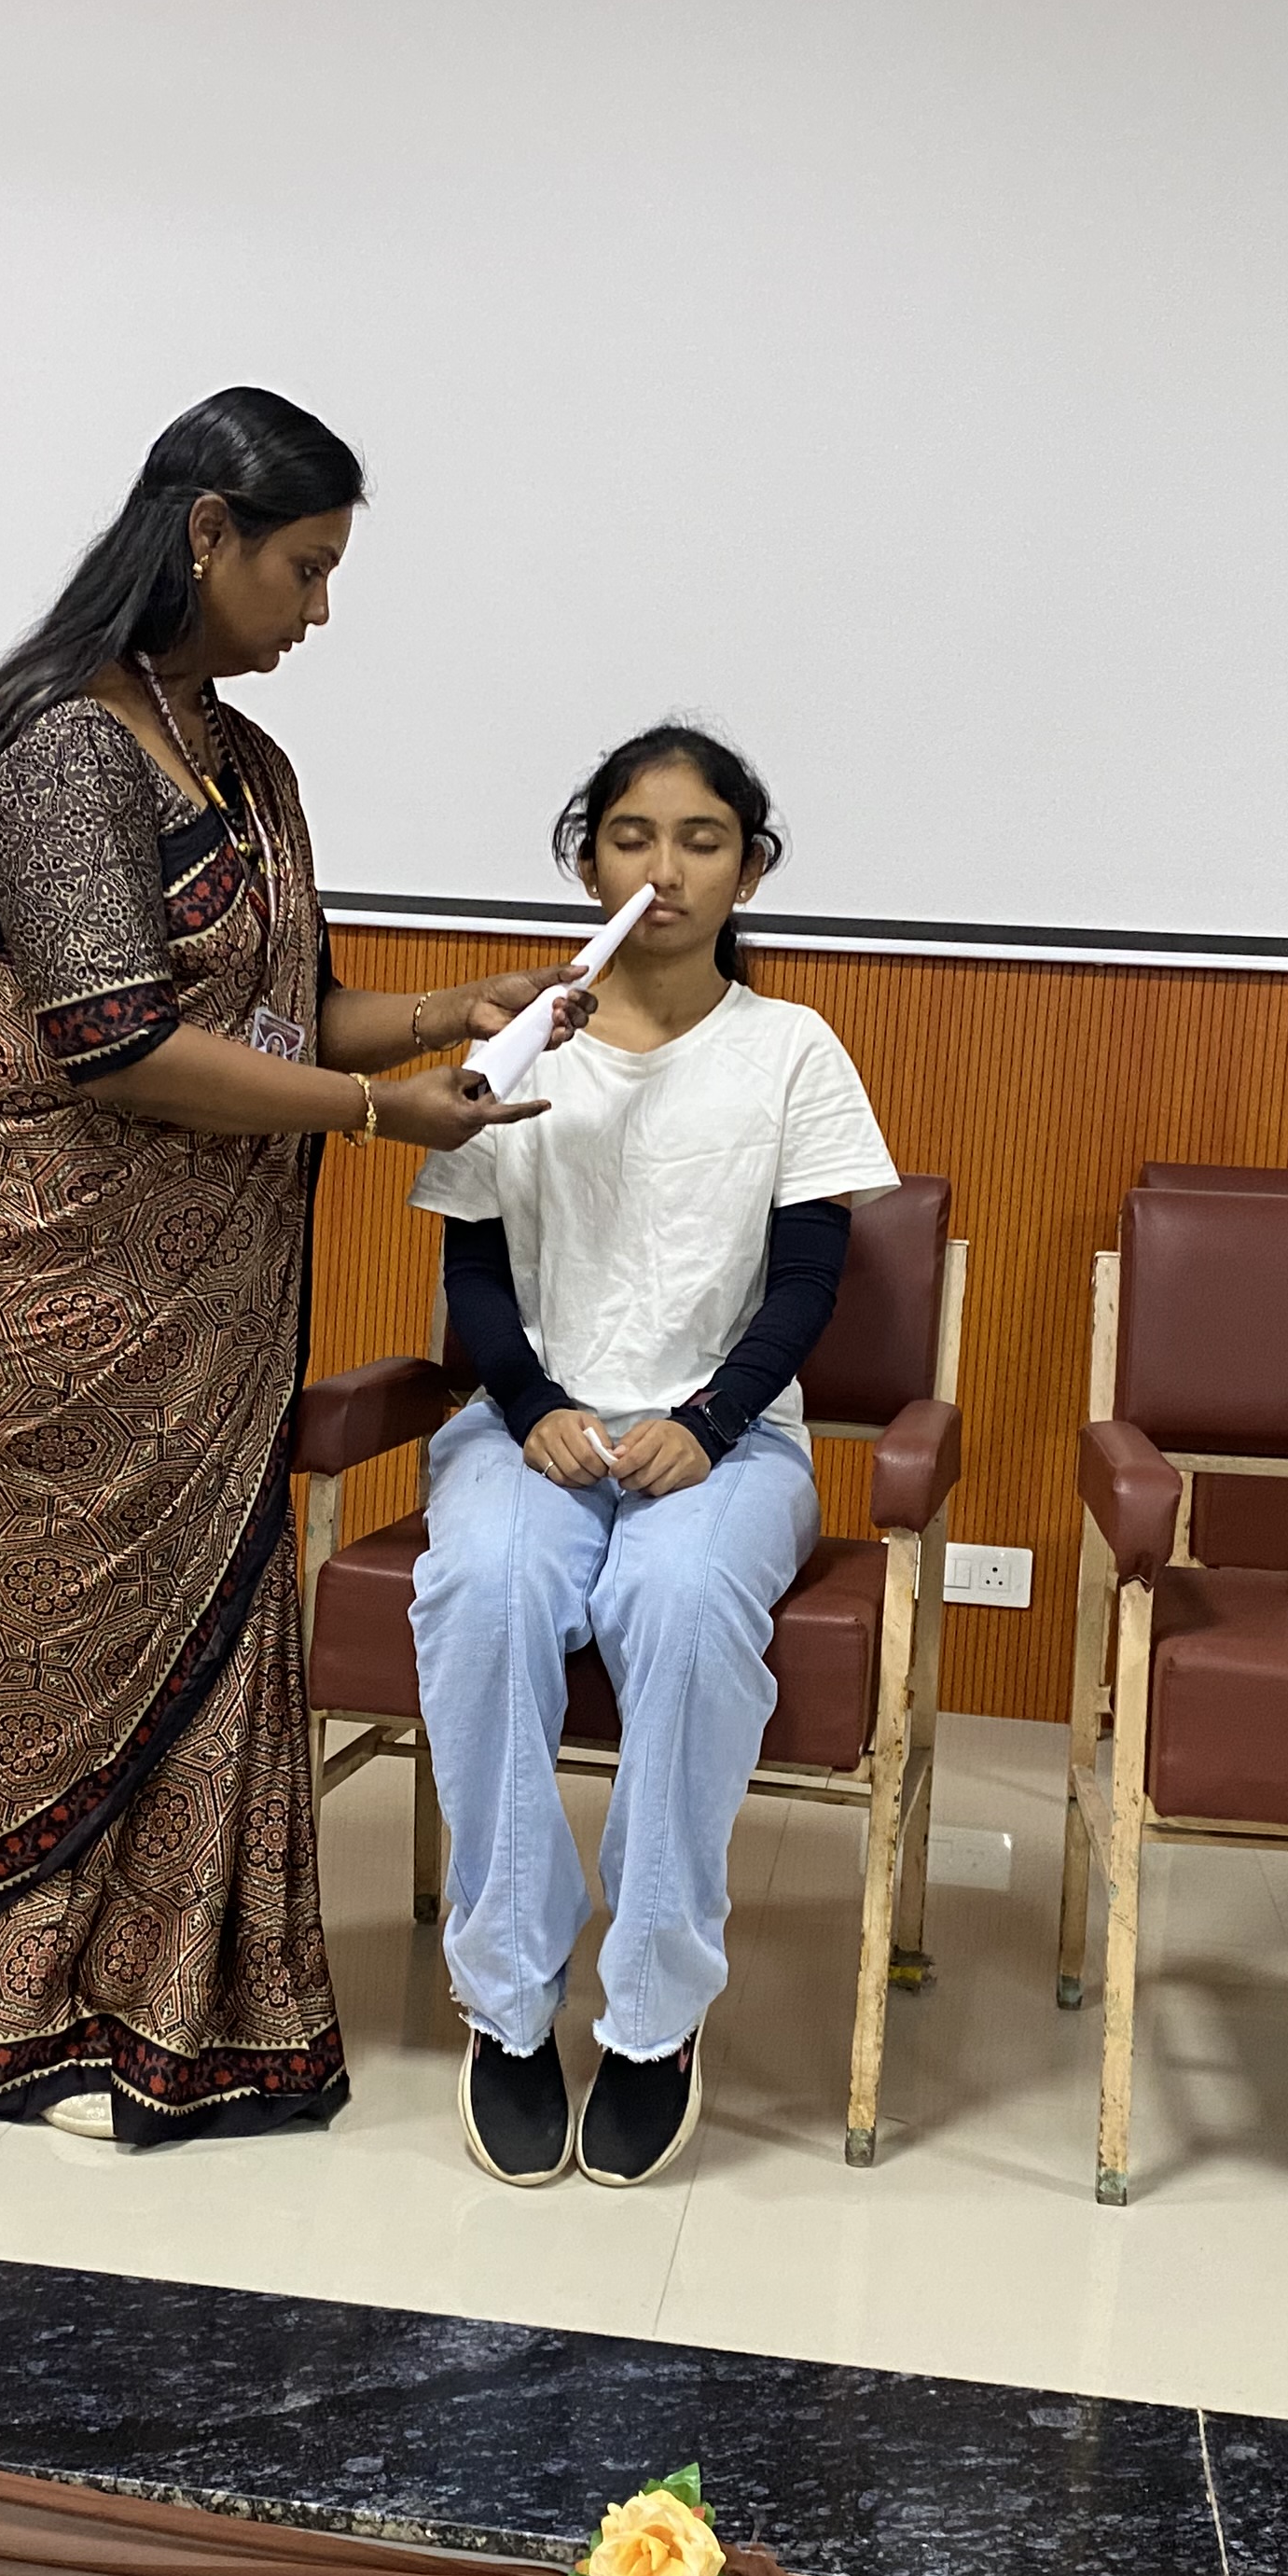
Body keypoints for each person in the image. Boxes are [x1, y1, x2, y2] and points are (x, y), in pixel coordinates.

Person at [0, 387, 584, 2149]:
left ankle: (181, 2011)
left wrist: (444, 1015)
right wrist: (373, 1112)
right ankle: (23, 2020)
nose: (321, 608)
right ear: (206, 533)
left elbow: (279, 1009)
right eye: (305, 566)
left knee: (210, 1615)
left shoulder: (241, 758)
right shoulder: (62, 742)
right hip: (47, 1271)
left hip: (205, 1288)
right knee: (58, 1633)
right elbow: (117, 1042)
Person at [405, 728, 899, 2188]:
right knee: (483, 1593)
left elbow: (809, 1279)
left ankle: (654, 2015)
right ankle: (507, 2003)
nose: (664, 868)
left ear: (751, 867)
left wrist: (709, 1420)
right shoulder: (523, 1046)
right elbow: (473, 1269)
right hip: (530, 1426)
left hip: (728, 1442)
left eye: (701, 839)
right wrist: (532, 1403)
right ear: (587, 863)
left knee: (677, 1608)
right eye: (632, 837)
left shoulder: (792, 1050)